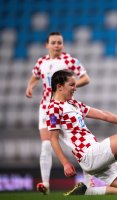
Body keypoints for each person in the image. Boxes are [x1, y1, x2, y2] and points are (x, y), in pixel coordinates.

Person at [25, 32, 93, 194]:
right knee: (46, 144)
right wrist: (30, 86)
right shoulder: (41, 62)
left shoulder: (69, 61)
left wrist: (70, 85)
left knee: (80, 144)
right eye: (54, 43)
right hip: (46, 108)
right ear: (46, 45)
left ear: (63, 45)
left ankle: (89, 183)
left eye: (59, 43)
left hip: (65, 107)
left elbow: (86, 78)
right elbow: (35, 77)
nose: (57, 45)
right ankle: (46, 184)